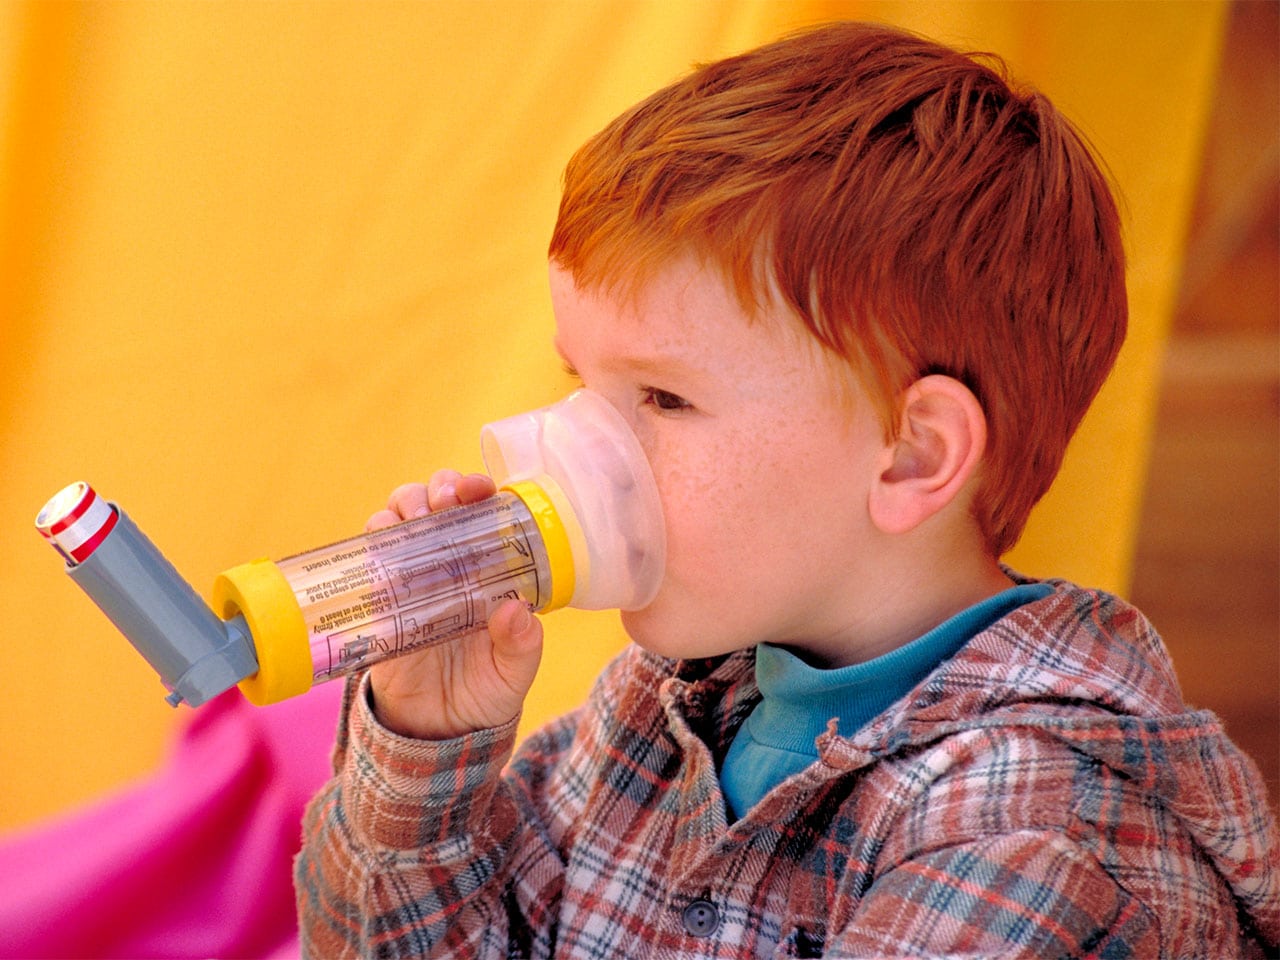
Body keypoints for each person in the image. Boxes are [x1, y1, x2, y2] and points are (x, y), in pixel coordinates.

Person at [295, 21, 1279, 958]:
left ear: (908, 456)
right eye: (579, 387)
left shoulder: (1033, 843)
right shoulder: (657, 715)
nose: (575, 452)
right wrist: (426, 747)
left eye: (663, 399)